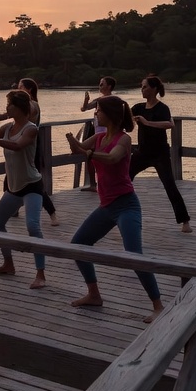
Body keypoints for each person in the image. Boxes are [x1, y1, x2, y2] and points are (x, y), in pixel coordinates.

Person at [65, 96, 164, 323]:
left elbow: (111, 158)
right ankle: (94, 294)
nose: (96, 114)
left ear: (110, 114)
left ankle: (159, 306)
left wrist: (86, 153)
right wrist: (74, 143)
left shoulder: (124, 139)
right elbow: (78, 150)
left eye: (98, 110)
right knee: (79, 245)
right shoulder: (99, 136)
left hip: (126, 204)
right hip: (106, 206)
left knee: (133, 255)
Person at [0, 90, 48, 289]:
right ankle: (8, 264)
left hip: (32, 185)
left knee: (33, 226)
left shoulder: (31, 129)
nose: (6, 108)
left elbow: (17, 146)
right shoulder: (7, 127)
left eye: (9, 104)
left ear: (20, 107)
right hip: (14, 187)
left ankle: (40, 273)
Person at [0, 78, 59, 225]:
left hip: (29, 145)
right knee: (11, 178)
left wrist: (18, 108)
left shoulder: (32, 105)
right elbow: (1, 118)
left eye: (20, 87)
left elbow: (27, 113)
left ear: (29, 90)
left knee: (33, 183)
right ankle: (14, 208)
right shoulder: (13, 119)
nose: (17, 89)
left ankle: (52, 213)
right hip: (16, 145)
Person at [129, 75, 192, 233]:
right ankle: (119, 211)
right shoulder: (138, 107)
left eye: (144, 87)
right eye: (141, 87)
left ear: (154, 89)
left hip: (160, 154)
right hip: (142, 152)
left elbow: (170, 124)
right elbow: (124, 118)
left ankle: (185, 221)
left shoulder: (162, 108)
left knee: (170, 185)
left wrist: (146, 122)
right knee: (124, 177)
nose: (142, 89)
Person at [79, 76, 117, 192]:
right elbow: (84, 109)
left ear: (109, 86)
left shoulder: (113, 100)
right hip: (97, 133)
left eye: (102, 84)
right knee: (90, 157)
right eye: (99, 84)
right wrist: (86, 100)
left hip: (108, 133)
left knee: (103, 159)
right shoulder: (98, 100)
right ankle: (93, 184)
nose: (99, 86)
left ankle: (106, 183)